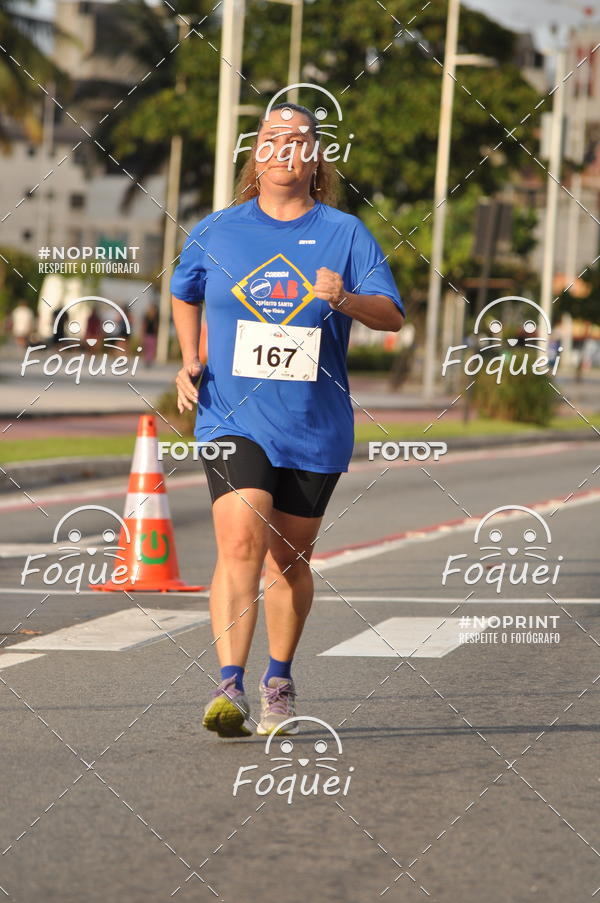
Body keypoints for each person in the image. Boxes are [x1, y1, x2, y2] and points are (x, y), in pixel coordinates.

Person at [170, 102, 404, 739]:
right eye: (272, 138)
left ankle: (279, 677)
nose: (285, 149)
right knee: (240, 541)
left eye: (299, 139)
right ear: (256, 154)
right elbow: (183, 290)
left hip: (312, 420)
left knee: (287, 558)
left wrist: (345, 298)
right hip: (229, 415)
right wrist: (191, 358)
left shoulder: (345, 233)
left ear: (316, 157)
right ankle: (229, 685)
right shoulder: (216, 230)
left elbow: (391, 315)